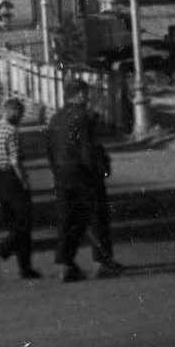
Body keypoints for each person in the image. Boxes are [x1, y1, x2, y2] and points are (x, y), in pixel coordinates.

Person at [45, 78, 123, 282]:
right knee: (97, 217)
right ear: (80, 95)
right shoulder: (83, 117)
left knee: (68, 220)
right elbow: (88, 150)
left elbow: (50, 151)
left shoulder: (55, 118)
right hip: (84, 174)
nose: (89, 97)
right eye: (87, 93)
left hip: (62, 175)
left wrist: (57, 172)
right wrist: (100, 171)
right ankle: (102, 262)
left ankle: (64, 264)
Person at [0, 97, 41, 281]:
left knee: (16, 224)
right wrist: (25, 181)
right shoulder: (11, 131)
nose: (21, 118)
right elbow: (15, 161)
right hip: (11, 179)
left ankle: (25, 268)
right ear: (13, 112)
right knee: (25, 223)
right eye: (20, 114)